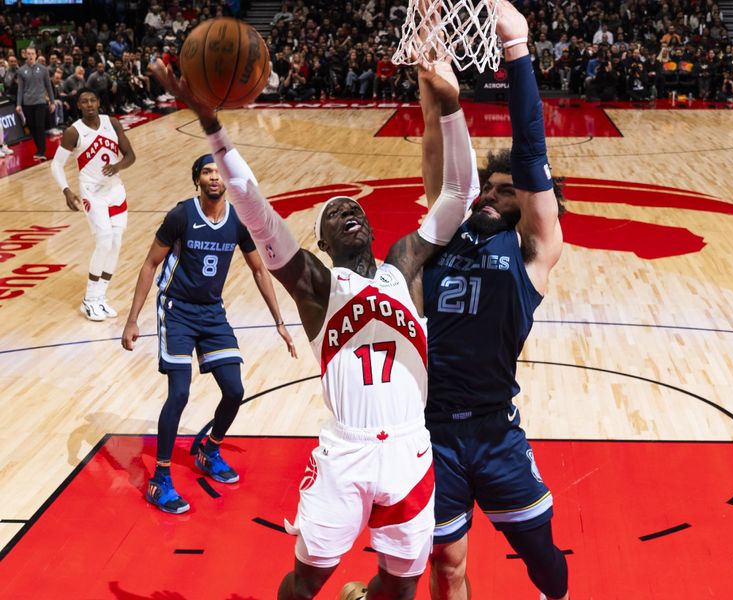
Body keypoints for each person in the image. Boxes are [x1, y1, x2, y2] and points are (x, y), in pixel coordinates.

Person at [150, 45, 476, 599]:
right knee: (305, 581)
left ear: (372, 230)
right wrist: (211, 125)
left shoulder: (404, 268)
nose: (349, 209)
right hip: (345, 454)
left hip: (409, 451)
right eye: (334, 213)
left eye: (357, 209)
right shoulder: (318, 288)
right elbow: (254, 208)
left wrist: (452, 108)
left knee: (400, 590)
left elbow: (460, 193)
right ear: (322, 243)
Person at [421, 2, 569, 600]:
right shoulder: (444, 230)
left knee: (543, 559)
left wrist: (518, 50)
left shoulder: (532, 249)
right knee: (448, 566)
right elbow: (434, 143)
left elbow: (532, 160)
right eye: (489, 184)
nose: (491, 195)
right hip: (433, 432)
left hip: (495, 432)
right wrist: (431, 64)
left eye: (506, 192)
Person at [121, 154, 296, 514]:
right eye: (206, 171)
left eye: (218, 171)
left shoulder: (238, 221)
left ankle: (209, 450)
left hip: (212, 312)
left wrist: (279, 321)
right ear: (197, 179)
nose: (214, 177)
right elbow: (151, 263)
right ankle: (160, 479)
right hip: (177, 310)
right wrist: (132, 319)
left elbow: (259, 271)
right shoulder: (181, 215)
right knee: (180, 391)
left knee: (234, 389)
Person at [50, 88, 136, 321]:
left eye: (92, 100)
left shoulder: (113, 123)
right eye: (84, 102)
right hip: (92, 193)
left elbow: (130, 156)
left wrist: (118, 167)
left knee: (116, 243)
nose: (89, 104)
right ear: (79, 106)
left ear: (98, 102)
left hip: (115, 190)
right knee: (104, 241)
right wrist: (66, 190)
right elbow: (56, 165)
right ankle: (89, 300)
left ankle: (100, 297)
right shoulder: (73, 132)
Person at [16, 46, 55, 161]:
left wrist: (52, 102)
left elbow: (49, 86)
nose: (31, 56)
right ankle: (39, 149)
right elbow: (20, 89)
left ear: (36, 55)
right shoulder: (21, 70)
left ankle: (42, 151)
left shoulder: (43, 69)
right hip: (27, 103)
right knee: (32, 128)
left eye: (32, 54)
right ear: (25, 55)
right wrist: (19, 104)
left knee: (39, 126)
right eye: (28, 54)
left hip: (40, 102)